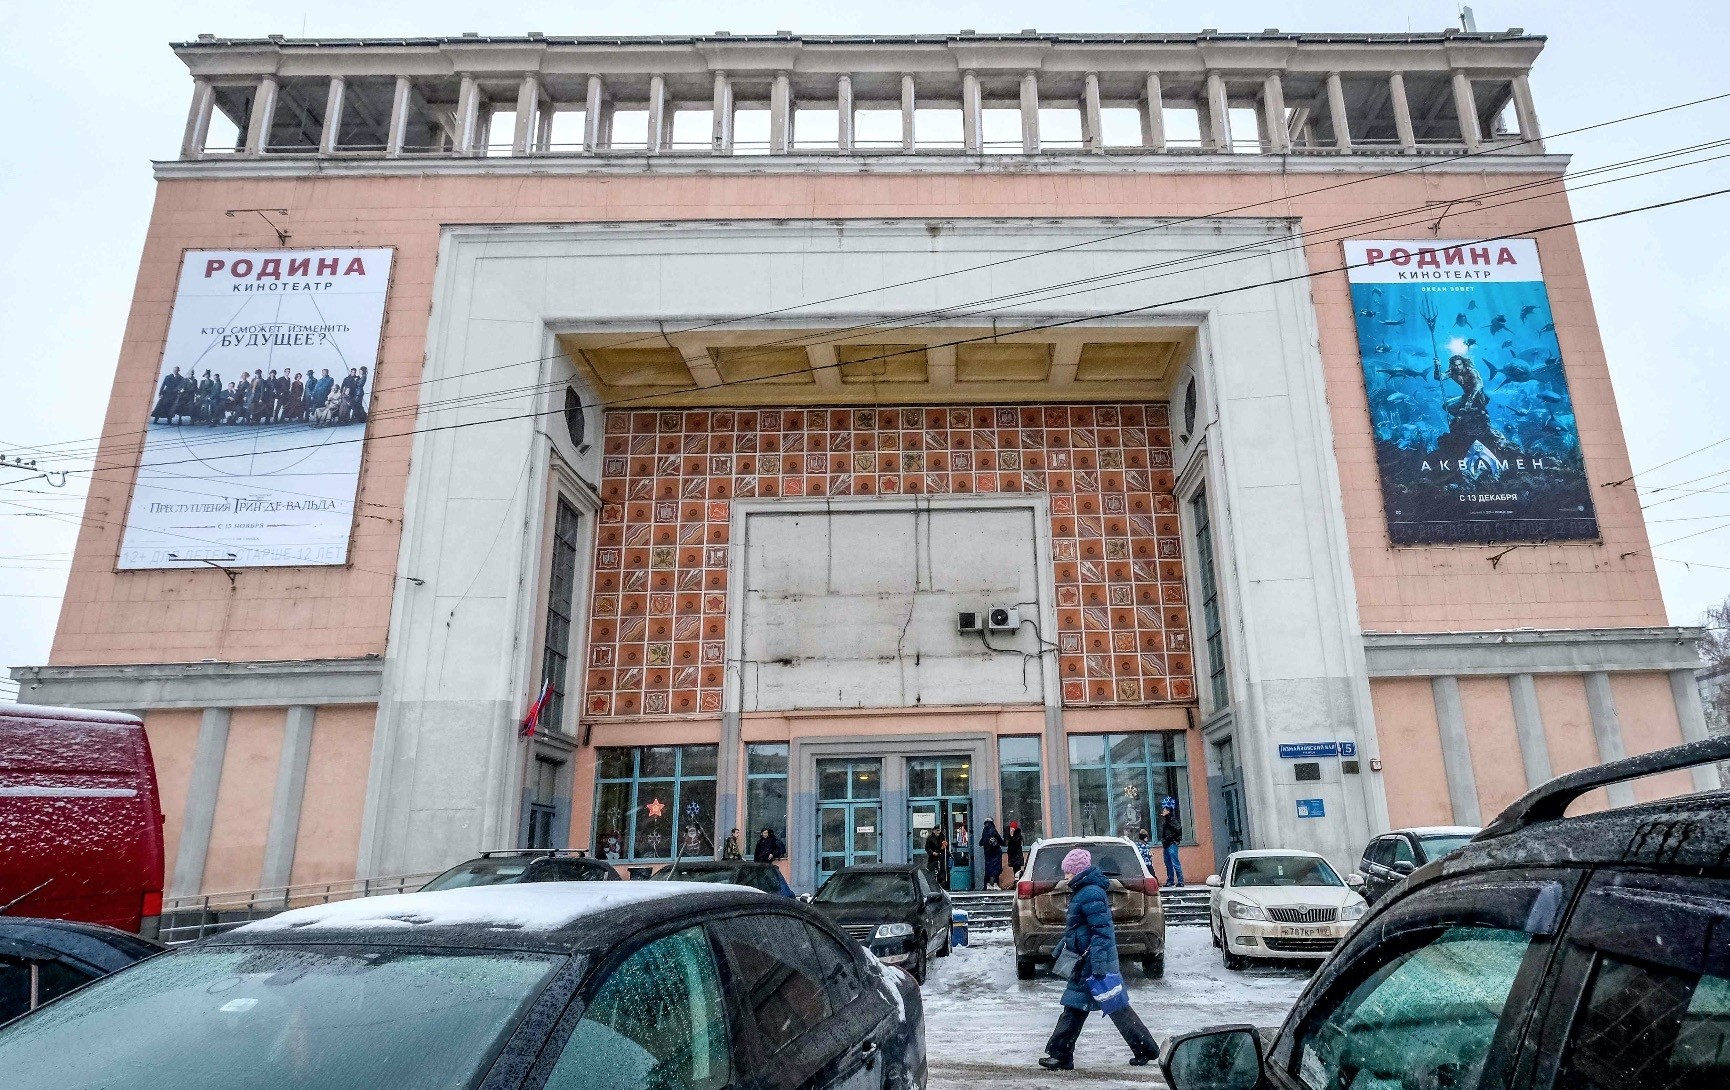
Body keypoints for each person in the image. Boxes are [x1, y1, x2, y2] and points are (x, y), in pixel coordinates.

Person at [1038, 848, 1160, 1070]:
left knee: (1084, 1007)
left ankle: (1061, 1054)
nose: (1065, 877)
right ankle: (1145, 1048)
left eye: (1068, 872)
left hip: (1091, 963)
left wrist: (1099, 966)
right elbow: (1077, 930)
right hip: (1087, 960)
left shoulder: (1090, 893)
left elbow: (1102, 932)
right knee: (1099, 1007)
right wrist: (1060, 951)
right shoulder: (1085, 891)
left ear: (1077, 872)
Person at [1158, 798, 1185, 888]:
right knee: (1168, 863)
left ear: (1168, 810)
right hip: (1167, 844)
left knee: (1174, 862)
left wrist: (1176, 839)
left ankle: (1180, 881)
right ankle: (1170, 880)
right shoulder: (1167, 820)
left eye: (1164, 809)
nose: (1163, 810)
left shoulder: (1171, 819)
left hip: (1171, 844)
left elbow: (1178, 829)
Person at [980, 819, 1005, 890]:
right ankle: (995, 884)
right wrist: (1003, 843)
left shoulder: (984, 831)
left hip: (987, 853)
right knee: (996, 868)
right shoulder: (993, 830)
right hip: (995, 852)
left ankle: (987, 884)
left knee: (988, 868)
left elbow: (982, 841)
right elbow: (999, 839)